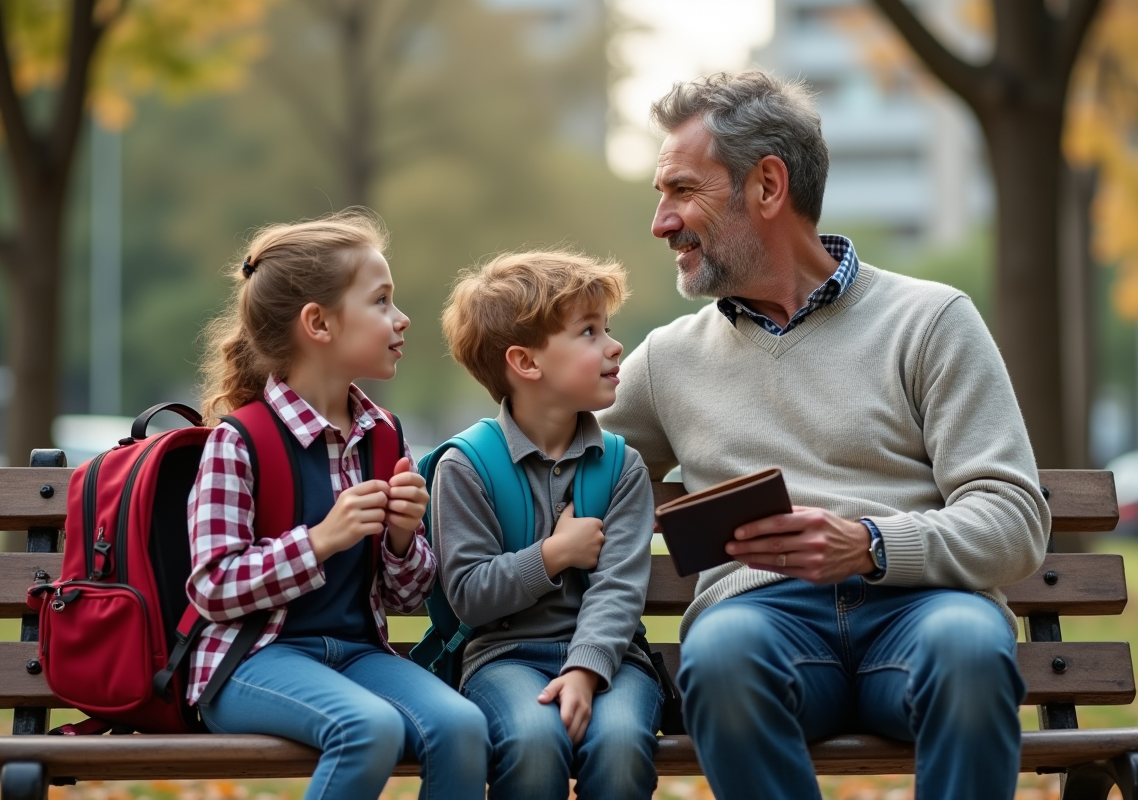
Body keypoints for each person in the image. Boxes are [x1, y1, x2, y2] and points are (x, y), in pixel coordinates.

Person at [597, 71, 1052, 800]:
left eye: (682, 191)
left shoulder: (930, 321)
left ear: (767, 187)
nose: (662, 221)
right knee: (718, 655)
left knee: (970, 646)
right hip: (762, 622)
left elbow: (1014, 520)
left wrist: (870, 545)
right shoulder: (666, 362)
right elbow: (548, 453)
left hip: (922, 611)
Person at [186, 209, 489, 800]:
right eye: (381, 301)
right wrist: (321, 540)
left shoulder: (384, 435)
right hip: (251, 662)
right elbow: (212, 588)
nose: (401, 319)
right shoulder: (239, 440)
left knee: (462, 726)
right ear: (318, 323)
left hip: (356, 654)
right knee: (367, 727)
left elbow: (404, 596)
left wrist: (403, 538)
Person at [432, 251, 662, 800]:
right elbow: (469, 596)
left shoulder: (621, 465)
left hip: (613, 660)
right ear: (526, 362)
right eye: (588, 332)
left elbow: (619, 589)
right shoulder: (464, 466)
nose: (614, 346)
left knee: (622, 742)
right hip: (504, 660)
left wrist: (586, 670)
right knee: (533, 742)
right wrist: (554, 554)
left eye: (607, 328)